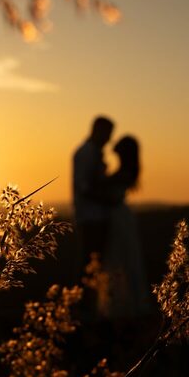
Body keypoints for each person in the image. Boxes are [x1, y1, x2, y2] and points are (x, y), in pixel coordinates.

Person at [97, 135, 152, 319]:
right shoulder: (126, 171)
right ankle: (123, 306)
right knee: (121, 258)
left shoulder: (124, 173)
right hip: (119, 216)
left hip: (118, 218)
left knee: (121, 258)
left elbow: (108, 195)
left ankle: (123, 307)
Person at [72, 115, 114, 276]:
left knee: (96, 262)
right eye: (107, 134)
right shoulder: (85, 153)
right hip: (90, 217)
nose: (109, 139)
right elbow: (83, 187)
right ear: (98, 130)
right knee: (90, 263)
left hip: (96, 216)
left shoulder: (93, 152)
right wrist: (107, 199)